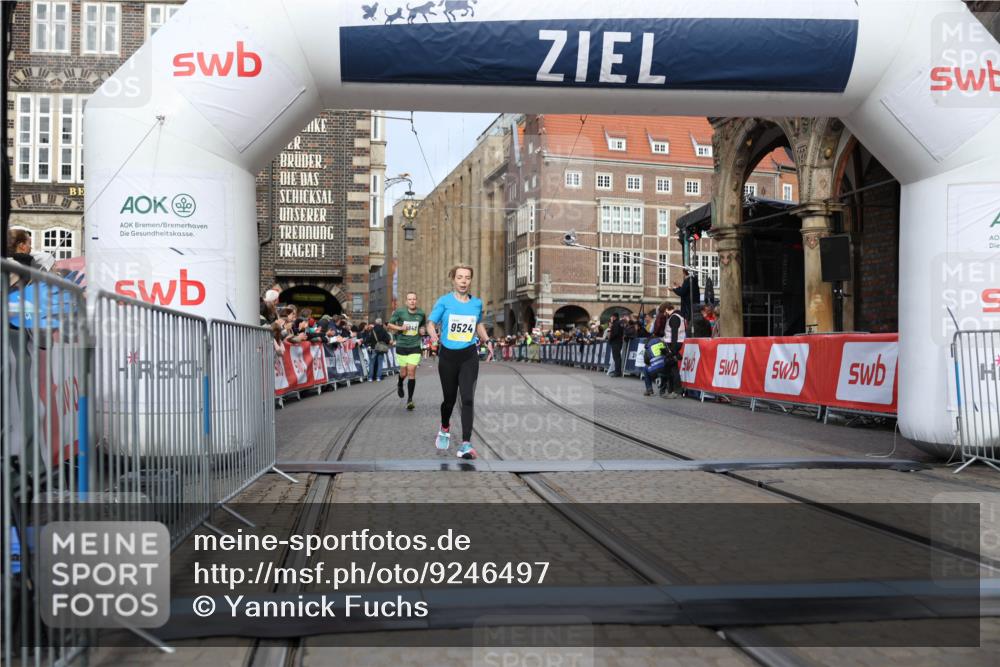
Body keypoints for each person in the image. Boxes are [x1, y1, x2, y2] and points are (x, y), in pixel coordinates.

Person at [427, 264, 489, 460]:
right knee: (449, 400)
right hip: (448, 356)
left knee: (468, 398)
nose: (463, 281)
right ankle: (445, 427)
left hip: (469, 355)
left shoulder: (477, 303)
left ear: (471, 280)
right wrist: (435, 339)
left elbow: (478, 324)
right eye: (460, 277)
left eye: (467, 277)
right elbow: (430, 324)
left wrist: (487, 341)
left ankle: (465, 444)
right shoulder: (444, 302)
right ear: (453, 279)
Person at [387, 292, 426, 410]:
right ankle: (400, 383)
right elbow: (389, 324)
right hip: (402, 346)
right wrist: (400, 328)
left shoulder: (421, 313)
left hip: (414, 346)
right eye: (410, 299)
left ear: (416, 300)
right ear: (406, 301)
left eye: (414, 299)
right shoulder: (400, 312)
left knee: (411, 372)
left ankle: (410, 400)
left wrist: (422, 330)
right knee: (403, 373)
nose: (412, 301)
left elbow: (422, 326)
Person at [662, 303, 685, 398]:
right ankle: (671, 390)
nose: (664, 314)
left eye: (664, 311)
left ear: (667, 309)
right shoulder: (676, 317)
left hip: (673, 345)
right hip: (673, 345)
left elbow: (674, 335)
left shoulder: (674, 318)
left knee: (673, 369)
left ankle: (676, 391)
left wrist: (673, 350)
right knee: (670, 368)